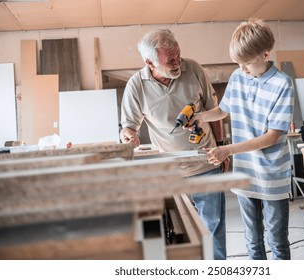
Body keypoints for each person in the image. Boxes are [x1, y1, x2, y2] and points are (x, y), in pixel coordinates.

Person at [187, 19, 294, 260]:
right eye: (238, 63)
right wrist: (200, 116)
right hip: (245, 174)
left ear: (266, 54)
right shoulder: (238, 76)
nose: (242, 68)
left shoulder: (282, 84)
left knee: (276, 241)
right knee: (252, 242)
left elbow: (271, 137)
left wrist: (229, 150)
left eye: (246, 63)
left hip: (271, 175)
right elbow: (224, 110)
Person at [119, 29, 228, 260]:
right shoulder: (136, 85)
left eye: (178, 55)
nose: (178, 62)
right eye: (170, 60)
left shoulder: (194, 69)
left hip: (206, 163)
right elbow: (127, 127)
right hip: (168, 171)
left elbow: (214, 112)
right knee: (176, 231)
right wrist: (129, 136)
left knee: (213, 227)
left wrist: (221, 147)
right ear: (150, 62)